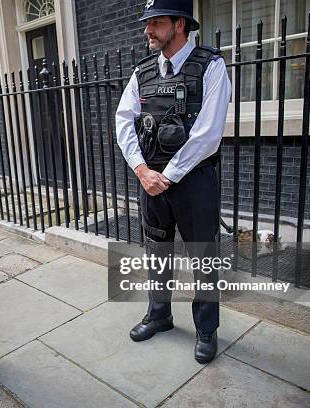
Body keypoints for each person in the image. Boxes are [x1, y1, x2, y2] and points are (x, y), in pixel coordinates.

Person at [115, 0, 231, 364]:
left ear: (180, 24)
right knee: (157, 251)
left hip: (193, 180)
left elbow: (208, 133)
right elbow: (123, 120)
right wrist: (141, 170)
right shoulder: (142, 71)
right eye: (147, 23)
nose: (147, 30)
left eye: (156, 22)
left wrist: (166, 175)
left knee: (203, 258)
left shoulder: (211, 67)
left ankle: (206, 330)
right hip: (151, 180)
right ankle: (159, 315)